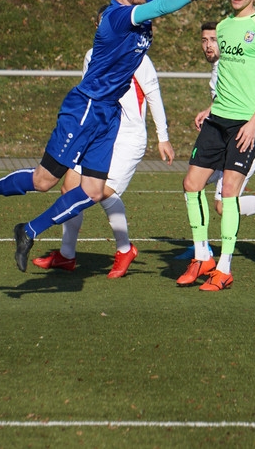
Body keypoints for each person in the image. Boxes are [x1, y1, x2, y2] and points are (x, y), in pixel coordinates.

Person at [0, 0, 228, 272]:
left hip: (109, 113)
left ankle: (28, 231)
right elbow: (162, 4)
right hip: (85, 108)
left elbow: (163, 1)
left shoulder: (140, 7)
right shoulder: (116, 17)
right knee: (44, 180)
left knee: (92, 191)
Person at [177, 0, 255, 291]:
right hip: (218, 118)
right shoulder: (222, 27)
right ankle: (201, 256)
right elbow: (229, 76)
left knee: (230, 193)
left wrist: (254, 123)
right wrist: (210, 108)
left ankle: (224, 267)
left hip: (247, 124)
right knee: (191, 184)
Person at [32, 38, 174, 278]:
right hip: (98, 132)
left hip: (128, 137)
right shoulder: (92, 54)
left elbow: (153, 95)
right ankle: (67, 255)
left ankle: (125, 249)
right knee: (69, 188)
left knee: (104, 191)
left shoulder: (138, 57)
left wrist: (163, 137)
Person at [174, 21, 255, 261]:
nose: (208, 46)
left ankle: (216, 257)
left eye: (213, 40)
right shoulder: (219, 67)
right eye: (204, 40)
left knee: (221, 203)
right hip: (221, 138)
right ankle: (203, 247)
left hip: (242, 142)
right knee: (193, 185)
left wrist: (254, 138)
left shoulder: (240, 63)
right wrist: (210, 110)